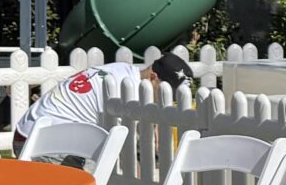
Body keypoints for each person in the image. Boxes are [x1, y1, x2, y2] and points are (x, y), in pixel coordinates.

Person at [15, 50, 193, 145]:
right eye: (167, 91)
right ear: (153, 77)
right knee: (96, 175)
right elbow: (122, 146)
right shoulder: (124, 92)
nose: (168, 98)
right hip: (39, 142)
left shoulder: (122, 70)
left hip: (31, 130)